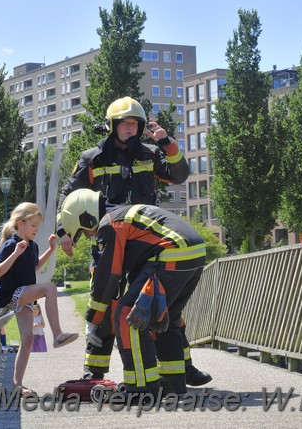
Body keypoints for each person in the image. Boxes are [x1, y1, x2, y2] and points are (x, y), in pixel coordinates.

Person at [56, 96, 210, 386]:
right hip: (107, 238)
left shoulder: (151, 154)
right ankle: (95, 371)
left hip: (145, 243)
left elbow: (179, 175)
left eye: (134, 124)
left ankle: (182, 366)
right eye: (124, 123)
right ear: (111, 126)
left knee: (160, 304)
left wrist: (167, 143)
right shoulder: (92, 159)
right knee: (105, 302)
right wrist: (64, 231)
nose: (129, 128)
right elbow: (69, 196)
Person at [60, 189, 206, 398]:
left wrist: (93, 318)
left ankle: (140, 388)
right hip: (195, 253)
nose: (90, 236)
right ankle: (174, 382)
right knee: (165, 315)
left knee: (128, 315)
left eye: (84, 231)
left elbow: (109, 273)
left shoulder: (110, 223)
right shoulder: (125, 215)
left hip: (172, 252)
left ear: (87, 217)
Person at [0, 202, 79, 397]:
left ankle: (17, 386)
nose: (36, 229)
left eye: (38, 226)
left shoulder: (32, 246)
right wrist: (16, 253)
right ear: (20, 223)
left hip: (23, 297)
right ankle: (57, 334)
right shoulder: (11, 245)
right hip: (12, 295)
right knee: (49, 288)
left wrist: (50, 250)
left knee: (28, 339)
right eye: (33, 225)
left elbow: (33, 268)